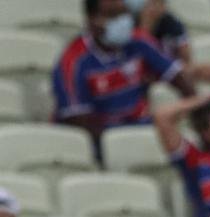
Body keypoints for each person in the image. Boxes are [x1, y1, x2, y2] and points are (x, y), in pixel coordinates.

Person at [53, 0, 195, 145]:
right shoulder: (73, 62)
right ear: (92, 20)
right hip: (104, 139)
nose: (122, 21)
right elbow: (78, 121)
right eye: (113, 15)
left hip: (143, 127)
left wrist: (189, 108)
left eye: (124, 13)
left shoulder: (139, 42)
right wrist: (124, 142)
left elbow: (179, 78)